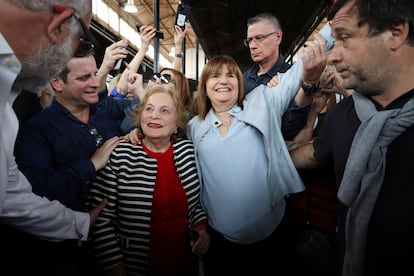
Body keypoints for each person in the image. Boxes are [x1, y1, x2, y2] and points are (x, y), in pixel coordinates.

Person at [186, 29, 326, 275]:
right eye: (215, 76)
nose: (223, 81)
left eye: (231, 75)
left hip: (274, 235)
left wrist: (337, 24)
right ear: (205, 86)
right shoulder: (193, 128)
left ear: (239, 83)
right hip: (223, 245)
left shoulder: (261, 101)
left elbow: (296, 72)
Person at [290, 0, 414, 275]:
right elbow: (311, 153)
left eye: (344, 38)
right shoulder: (345, 114)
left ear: (395, 33)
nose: (333, 57)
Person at [0, 0, 106, 243]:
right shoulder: (36, 128)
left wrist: (79, 223)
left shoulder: (7, 103)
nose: (94, 83)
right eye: (80, 40)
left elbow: (9, 193)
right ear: (58, 26)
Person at [14, 53, 122, 275]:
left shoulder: (104, 118)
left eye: (94, 74)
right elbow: (35, 187)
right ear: (57, 83)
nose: (95, 82)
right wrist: (91, 165)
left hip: (114, 243)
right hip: (65, 251)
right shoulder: (38, 130)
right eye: (84, 78)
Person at [87, 86, 210, 276]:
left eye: (164, 110)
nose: (154, 116)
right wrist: (115, 269)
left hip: (186, 264)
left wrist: (201, 230)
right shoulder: (120, 154)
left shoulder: (188, 151)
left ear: (177, 123)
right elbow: (100, 221)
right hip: (133, 267)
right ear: (140, 116)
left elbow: (195, 205)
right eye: (149, 109)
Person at [243, 12, 315, 141]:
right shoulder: (243, 80)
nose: (252, 46)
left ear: (278, 37)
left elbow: (292, 130)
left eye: (259, 38)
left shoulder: (294, 78)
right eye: (249, 40)